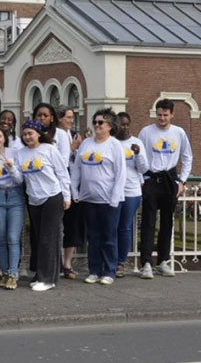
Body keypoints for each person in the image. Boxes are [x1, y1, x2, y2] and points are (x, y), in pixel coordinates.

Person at [138, 98, 193, 279]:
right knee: (148, 221)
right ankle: (146, 261)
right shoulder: (146, 132)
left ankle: (163, 261)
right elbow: (139, 156)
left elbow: (187, 157)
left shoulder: (179, 132)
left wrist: (182, 181)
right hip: (152, 179)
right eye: (159, 115)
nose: (162, 118)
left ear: (172, 115)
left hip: (170, 179)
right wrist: (142, 179)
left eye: (165, 115)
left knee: (167, 222)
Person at [71, 108, 126, 285]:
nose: (97, 125)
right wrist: (75, 191)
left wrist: (115, 197)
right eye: (95, 122)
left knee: (109, 236)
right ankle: (94, 270)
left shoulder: (115, 145)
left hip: (108, 200)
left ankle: (109, 270)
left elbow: (120, 173)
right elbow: (77, 168)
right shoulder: (86, 143)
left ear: (110, 126)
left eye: (100, 122)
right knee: (93, 237)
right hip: (88, 198)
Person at [16, 120, 71, 292]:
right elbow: (19, 179)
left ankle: (48, 279)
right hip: (34, 199)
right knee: (39, 239)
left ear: (39, 133)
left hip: (52, 196)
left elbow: (62, 173)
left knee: (49, 238)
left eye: (30, 133)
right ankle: (41, 274)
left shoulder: (49, 149)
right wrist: (11, 168)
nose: (27, 137)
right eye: (24, 134)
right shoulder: (20, 153)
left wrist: (67, 196)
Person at [0, 126, 25, 290]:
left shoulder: (14, 153)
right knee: (0, 238)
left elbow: (20, 180)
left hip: (15, 197)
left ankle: (13, 274)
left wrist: (11, 167)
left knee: (13, 237)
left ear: (4, 138)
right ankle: (4, 272)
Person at [115, 112, 148, 278]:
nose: (125, 127)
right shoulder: (111, 142)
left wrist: (138, 154)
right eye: (122, 124)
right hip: (113, 191)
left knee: (125, 227)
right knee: (111, 226)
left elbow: (143, 168)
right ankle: (110, 260)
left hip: (131, 191)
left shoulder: (136, 142)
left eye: (127, 124)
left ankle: (121, 261)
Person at [56, 105, 84, 280]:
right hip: (59, 185)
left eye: (72, 117)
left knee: (72, 226)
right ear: (59, 118)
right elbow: (59, 161)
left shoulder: (71, 134)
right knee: (56, 226)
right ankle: (57, 263)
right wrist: (73, 148)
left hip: (73, 185)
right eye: (68, 117)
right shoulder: (55, 135)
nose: (71, 120)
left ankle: (68, 263)